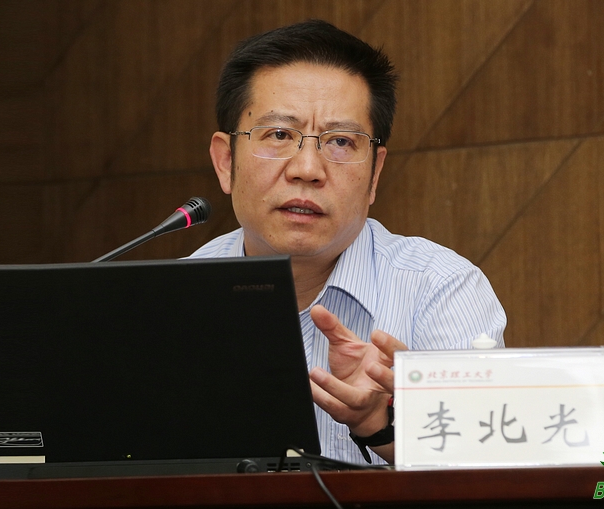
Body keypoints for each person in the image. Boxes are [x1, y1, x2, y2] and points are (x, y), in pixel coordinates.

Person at [189, 19, 507, 465]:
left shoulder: (441, 290)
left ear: (375, 174)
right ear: (226, 162)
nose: (307, 169)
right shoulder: (179, 295)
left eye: (340, 141)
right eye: (279, 135)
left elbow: (492, 473)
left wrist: (383, 427)